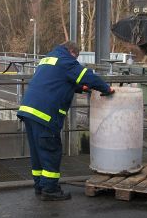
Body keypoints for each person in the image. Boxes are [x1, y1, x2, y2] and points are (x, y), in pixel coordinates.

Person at [17, 41, 114, 201]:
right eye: (76, 57)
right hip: (44, 114)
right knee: (50, 151)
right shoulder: (66, 60)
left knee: (37, 152)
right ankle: (50, 189)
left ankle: (40, 185)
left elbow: (58, 81)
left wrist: (79, 88)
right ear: (72, 52)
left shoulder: (49, 58)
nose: (75, 60)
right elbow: (86, 76)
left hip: (28, 111)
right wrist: (106, 88)